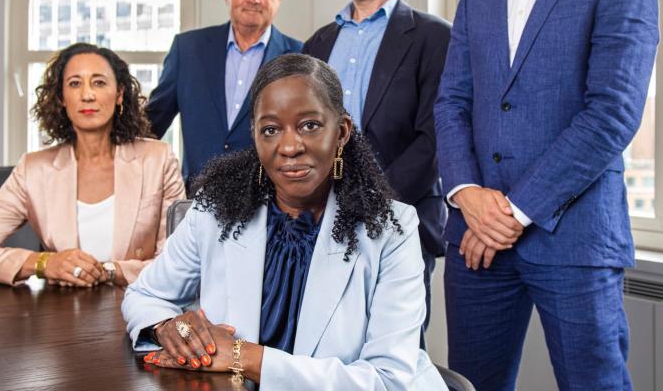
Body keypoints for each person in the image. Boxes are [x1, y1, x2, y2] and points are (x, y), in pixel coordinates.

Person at [434, 0, 660, 389]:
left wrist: (510, 213)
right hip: (476, 243)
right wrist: (466, 195)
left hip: (576, 238)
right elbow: (452, 103)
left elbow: (611, 115)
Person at [123, 54, 445, 390]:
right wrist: (168, 327)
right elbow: (144, 295)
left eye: (310, 125)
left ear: (342, 132)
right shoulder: (213, 211)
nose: (289, 146)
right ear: (255, 136)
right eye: (271, 130)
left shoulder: (392, 229)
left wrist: (243, 357)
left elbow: (387, 380)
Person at [303, 0, 450, 339]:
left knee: (398, 359)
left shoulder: (432, 36)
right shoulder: (318, 43)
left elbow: (435, 138)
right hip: (322, 225)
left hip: (399, 221)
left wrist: (371, 203)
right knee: (327, 352)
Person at [0, 43, 185, 287]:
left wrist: (110, 271)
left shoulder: (158, 159)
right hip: (61, 314)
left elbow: (177, 263)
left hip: (141, 310)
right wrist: (44, 263)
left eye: (99, 82)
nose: (87, 94)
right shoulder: (34, 169)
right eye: (74, 83)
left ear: (119, 93)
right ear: (61, 98)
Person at [145, 0, 302, 189]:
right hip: (198, 203)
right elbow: (151, 126)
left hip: (271, 206)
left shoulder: (301, 57)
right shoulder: (187, 50)